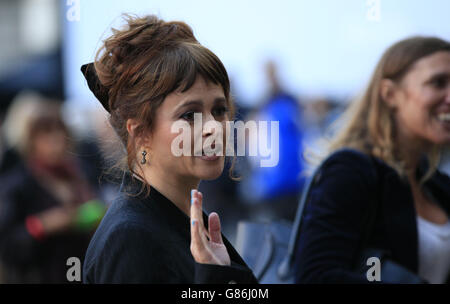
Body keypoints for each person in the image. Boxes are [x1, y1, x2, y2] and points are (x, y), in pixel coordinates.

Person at [81, 14, 257, 284]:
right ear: (140, 133)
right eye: (189, 115)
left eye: (220, 110)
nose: (214, 127)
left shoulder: (182, 220)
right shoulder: (131, 239)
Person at [293, 37, 450, 283]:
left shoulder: (437, 185)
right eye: (438, 83)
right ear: (390, 94)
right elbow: (316, 276)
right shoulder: (351, 171)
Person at [0, 99, 103, 283]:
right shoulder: (18, 186)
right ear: (31, 142)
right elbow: (9, 247)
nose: (56, 141)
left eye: (60, 132)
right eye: (46, 134)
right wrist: (44, 225)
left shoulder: (80, 174)